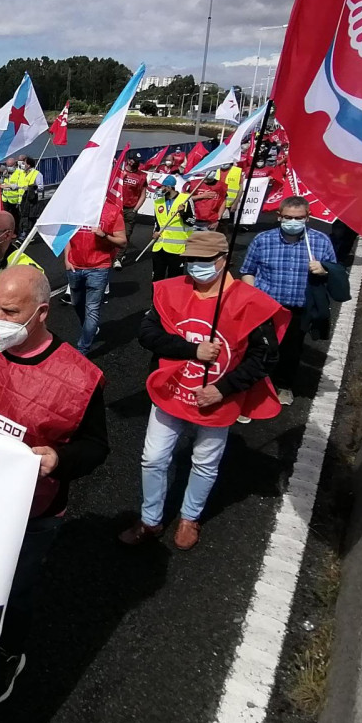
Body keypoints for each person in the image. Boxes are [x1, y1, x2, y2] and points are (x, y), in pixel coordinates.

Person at [0, 267, 108, 705]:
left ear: (42, 312)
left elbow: (96, 447)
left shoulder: (80, 377)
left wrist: (59, 460)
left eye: (10, 311)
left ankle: (8, 651)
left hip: (34, 512)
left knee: (14, 588)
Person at [120, 231, 285, 551]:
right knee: (153, 458)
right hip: (171, 392)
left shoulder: (250, 303)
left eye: (203, 261)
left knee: (205, 462)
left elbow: (265, 357)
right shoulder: (170, 292)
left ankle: (189, 517)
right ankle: (150, 519)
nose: (194, 267)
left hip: (217, 400)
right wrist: (190, 349)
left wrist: (223, 389)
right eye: (189, 261)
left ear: (224, 260)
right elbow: (147, 333)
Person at [239, 197, 338, 406]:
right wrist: (251, 298)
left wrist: (324, 270)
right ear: (279, 217)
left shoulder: (320, 241)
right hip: (268, 308)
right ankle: (253, 389)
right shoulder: (263, 240)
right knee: (260, 350)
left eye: (299, 218)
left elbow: (336, 274)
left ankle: (283, 385)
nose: (293, 222)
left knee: (291, 350)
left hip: (299, 309)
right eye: (288, 217)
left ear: (308, 218)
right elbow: (248, 271)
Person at [64, 197, 127, 355]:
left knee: (92, 309)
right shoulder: (76, 208)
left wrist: (104, 235)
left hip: (99, 268)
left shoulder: (112, 212)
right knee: (76, 303)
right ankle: (90, 328)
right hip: (75, 266)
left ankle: (82, 349)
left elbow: (123, 242)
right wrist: (66, 259)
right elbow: (67, 236)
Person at [150, 175, 193, 282]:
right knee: (157, 279)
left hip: (177, 249)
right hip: (159, 247)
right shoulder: (158, 202)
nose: (158, 190)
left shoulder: (185, 199)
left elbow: (192, 222)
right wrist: (155, 232)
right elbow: (157, 223)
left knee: (174, 280)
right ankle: (156, 298)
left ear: (169, 187)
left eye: (161, 187)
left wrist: (183, 213)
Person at [114, 155, 148, 269]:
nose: (136, 163)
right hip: (115, 207)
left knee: (126, 234)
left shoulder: (142, 176)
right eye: (134, 161)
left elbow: (143, 194)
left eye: (138, 162)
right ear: (129, 161)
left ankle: (118, 258)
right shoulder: (119, 172)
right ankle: (110, 254)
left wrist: (135, 210)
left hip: (130, 209)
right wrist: (120, 178)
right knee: (110, 233)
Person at [11, 154, 44, 238]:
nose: (23, 165)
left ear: (28, 165)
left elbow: (41, 187)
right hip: (22, 199)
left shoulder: (37, 174)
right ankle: (24, 232)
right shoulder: (22, 173)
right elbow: (19, 184)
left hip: (31, 199)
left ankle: (27, 234)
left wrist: (31, 188)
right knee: (23, 217)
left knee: (30, 218)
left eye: (24, 163)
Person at [0, 157, 22, 225]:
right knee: (6, 217)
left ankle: (15, 231)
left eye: (10, 166)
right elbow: (1, 182)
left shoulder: (20, 173)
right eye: (8, 166)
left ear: (15, 164)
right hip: (5, 199)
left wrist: (9, 186)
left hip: (14, 200)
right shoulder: (5, 173)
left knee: (15, 217)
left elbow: (21, 185)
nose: (9, 167)